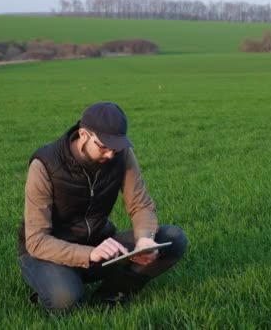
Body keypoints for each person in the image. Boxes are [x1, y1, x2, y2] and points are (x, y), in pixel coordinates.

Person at [17, 101, 187, 311]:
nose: (110, 155)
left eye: (116, 147)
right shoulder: (44, 165)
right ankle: (54, 282)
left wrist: (145, 239)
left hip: (101, 245)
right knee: (64, 299)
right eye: (104, 146)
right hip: (48, 254)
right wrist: (88, 254)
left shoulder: (120, 155)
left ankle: (111, 294)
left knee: (172, 239)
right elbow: (36, 240)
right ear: (83, 135)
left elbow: (140, 204)